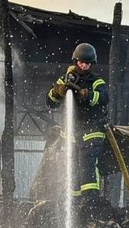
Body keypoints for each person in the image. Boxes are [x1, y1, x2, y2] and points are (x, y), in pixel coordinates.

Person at [46, 43, 109, 211]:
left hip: (92, 130)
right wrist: (58, 92)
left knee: (87, 163)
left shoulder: (96, 81)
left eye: (88, 63)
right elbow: (50, 103)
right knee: (72, 165)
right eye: (81, 62)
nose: (84, 66)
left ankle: (90, 201)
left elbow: (104, 98)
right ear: (76, 61)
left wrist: (85, 94)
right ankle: (74, 203)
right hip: (71, 132)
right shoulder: (64, 79)